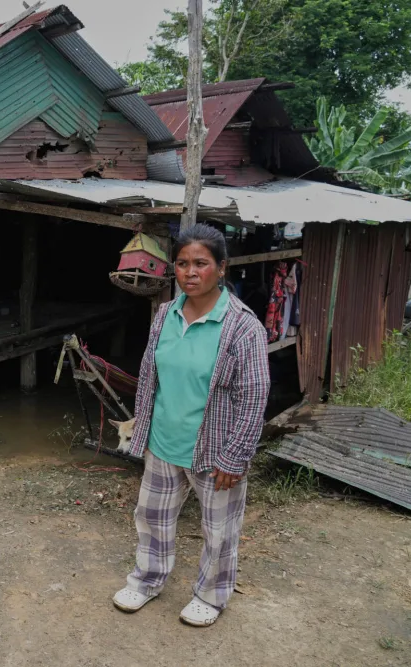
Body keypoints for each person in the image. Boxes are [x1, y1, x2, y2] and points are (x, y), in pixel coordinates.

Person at [113, 223, 270, 627]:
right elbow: (150, 376)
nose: (190, 272)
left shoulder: (242, 326)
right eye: (182, 263)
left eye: (201, 263)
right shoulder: (165, 313)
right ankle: (147, 581)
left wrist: (235, 457)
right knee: (152, 519)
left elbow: (253, 396)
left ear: (221, 267)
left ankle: (211, 596)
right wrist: (144, 431)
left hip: (215, 451)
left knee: (219, 529)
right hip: (164, 442)